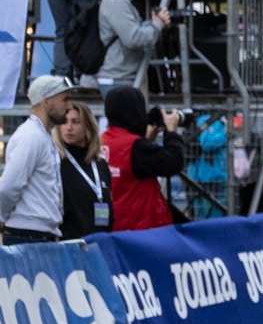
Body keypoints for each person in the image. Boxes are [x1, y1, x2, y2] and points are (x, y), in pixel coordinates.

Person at [0, 76, 76, 244]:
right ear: (46, 102)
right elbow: (8, 186)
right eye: (64, 99)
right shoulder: (31, 136)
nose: (69, 106)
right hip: (28, 234)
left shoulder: (40, 134)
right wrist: (2, 217)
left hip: (35, 232)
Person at [101, 86, 186, 231]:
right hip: (142, 228)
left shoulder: (101, 141)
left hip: (114, 225)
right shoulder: (136, 146)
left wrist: (145, 141)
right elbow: (173, 163)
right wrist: (171, 132)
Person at [98, 0, 172, 94]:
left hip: (119, 77)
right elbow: (133, 38)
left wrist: (152, 24)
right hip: (118, 78)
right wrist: (157, 24)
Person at [56, 99, 114, 238]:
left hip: (100, 239)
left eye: (76, 122)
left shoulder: (100, 164)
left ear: (88, 126)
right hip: (69, 242)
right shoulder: (56, 162)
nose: (69, 127)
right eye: (64, 122)